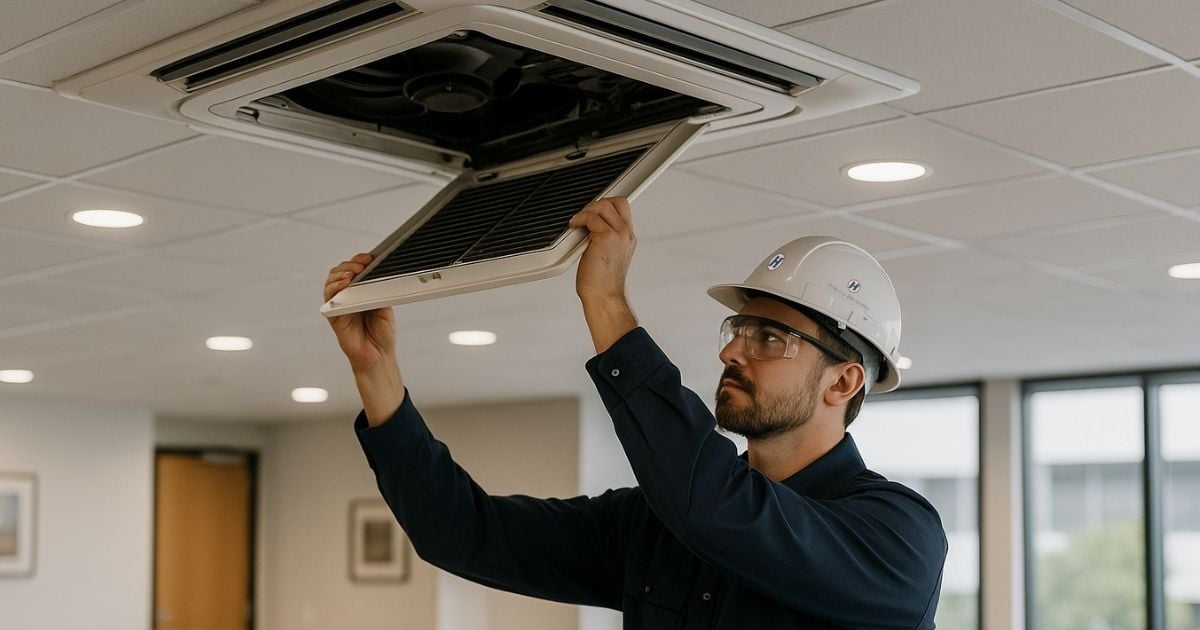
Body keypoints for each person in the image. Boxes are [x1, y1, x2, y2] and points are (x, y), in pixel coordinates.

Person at [324, 197, 947, 628]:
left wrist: (607, 301)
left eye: (770, 339)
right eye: (739, 329)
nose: (732, 350)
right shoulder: (653, 524)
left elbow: (715, 507)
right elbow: (462, 532)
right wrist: (376, 374)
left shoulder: (896, 538)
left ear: (843, 380)